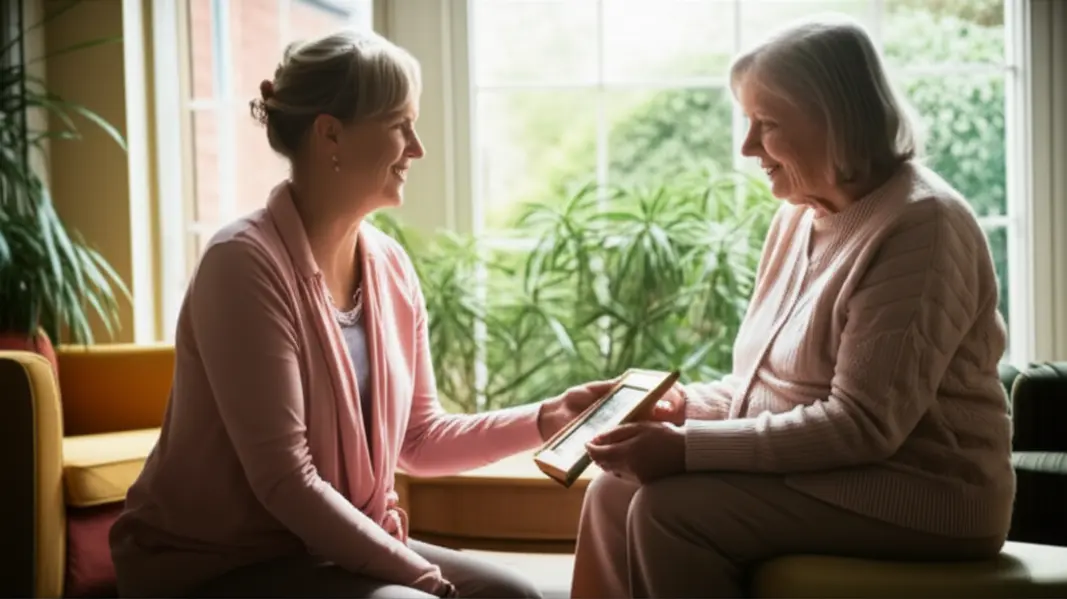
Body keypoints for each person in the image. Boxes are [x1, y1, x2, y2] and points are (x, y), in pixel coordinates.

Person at [109, 29, 615, 599]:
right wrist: (417, 575)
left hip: (326, 551)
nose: (417, 148)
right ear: (332, 135)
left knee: (511, 596)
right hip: (219, 564)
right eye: (402, 124)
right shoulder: (242, 264)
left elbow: (420, 440)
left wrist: (549, 417)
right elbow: (285, 480)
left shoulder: (390, 267)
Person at [571, 14, 1016, 599]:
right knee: (610, 493)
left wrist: (687, 449)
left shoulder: (922, 224)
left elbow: (862, 425)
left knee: (671, 510)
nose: (747, 146)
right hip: (825, 475)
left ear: (836, 125)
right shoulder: (797, 216)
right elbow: (768, 390)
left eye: (767, 124)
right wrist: (675, 408)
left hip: (921, 493)